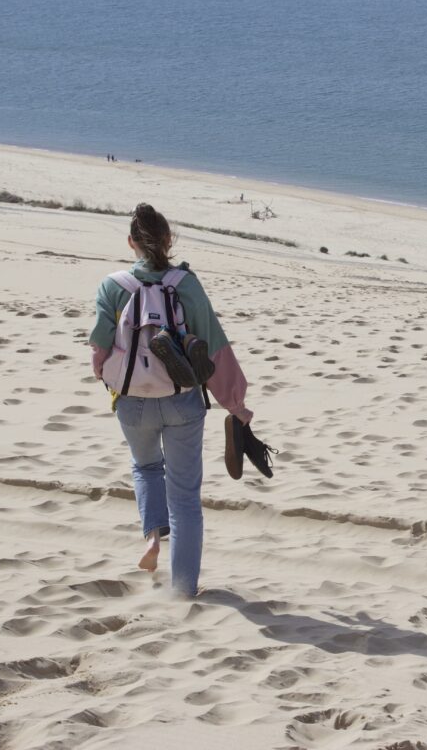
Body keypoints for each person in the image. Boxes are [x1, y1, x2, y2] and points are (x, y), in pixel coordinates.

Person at [89, 203, 253, 596]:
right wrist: (236, 405)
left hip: (130, 401)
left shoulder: (113, 285)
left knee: (146, 469)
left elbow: (99, 346)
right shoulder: (186, 284)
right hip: (181, 402)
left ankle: (151, 537)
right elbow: (214, 347)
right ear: (168, 241)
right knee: (184, 499)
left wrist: (106, 376)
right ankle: (183, 591)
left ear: (131, 243)